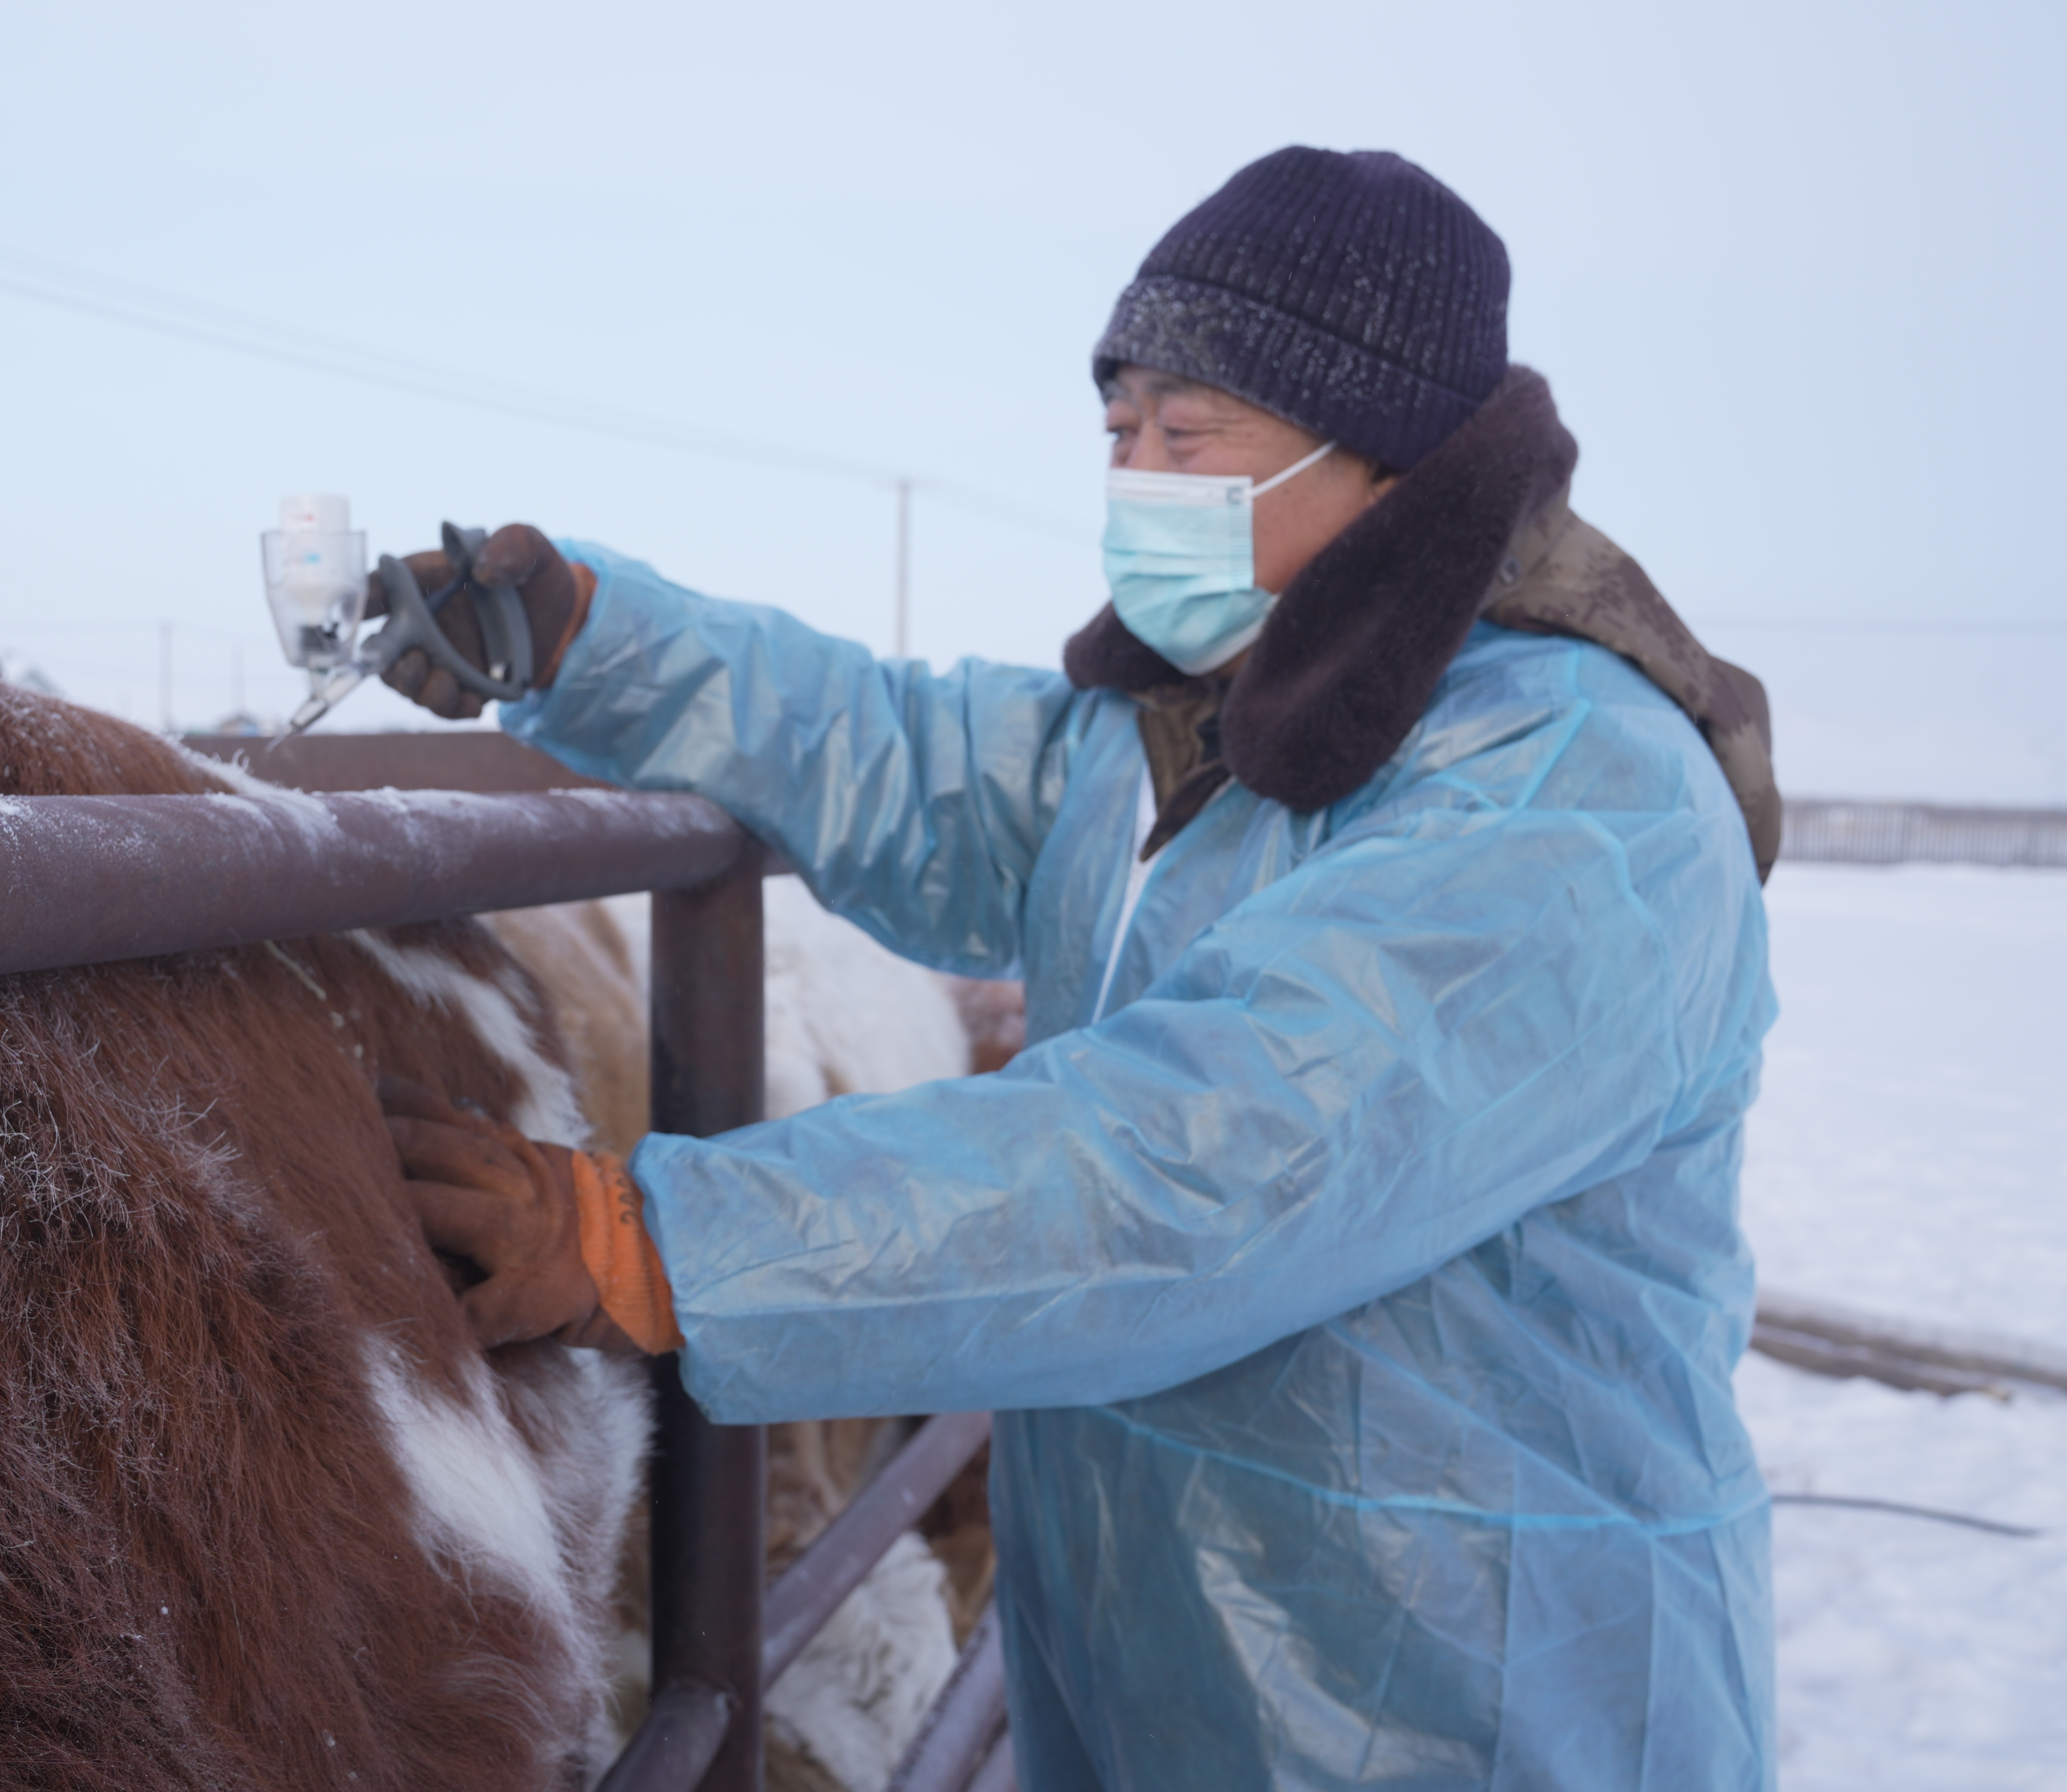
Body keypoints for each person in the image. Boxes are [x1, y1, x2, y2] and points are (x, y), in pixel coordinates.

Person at [375, 146, 1784, 1790]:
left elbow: (1206, 1160)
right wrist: (587, 639)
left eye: (1194, 436)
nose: (1139, 479)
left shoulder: (1566, 796)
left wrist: (665, 1239)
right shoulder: (1185, 735)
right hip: (1156, 1680)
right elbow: (899, 759)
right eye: (1121, 434)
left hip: (1467, 1696)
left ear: (1393, 460)